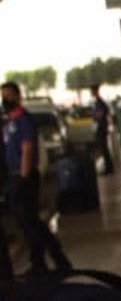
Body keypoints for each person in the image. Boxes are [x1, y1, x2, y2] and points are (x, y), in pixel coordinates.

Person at [1, 82, 71, 274]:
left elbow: (27, 148)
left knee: (30, 222)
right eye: (3, 95)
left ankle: (46, 260)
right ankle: (48, 258)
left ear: (17, 96)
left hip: (24, 177)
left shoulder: (24, 120)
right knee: (29, 222)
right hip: (14, 176)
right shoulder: (8, 122)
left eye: (8, 95)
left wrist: (22, 177)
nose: (5, 100)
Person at [89, 83, 115, 175]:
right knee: (103, 149)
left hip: (101, 128)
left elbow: (100, 115)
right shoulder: (98, 102)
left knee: (104, 149)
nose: (91, 93)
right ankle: (108, 167)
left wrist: (96, 118)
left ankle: (109, 167)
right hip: (101, 128)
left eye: (92, 91)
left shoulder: (100, 102)